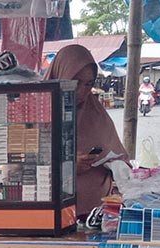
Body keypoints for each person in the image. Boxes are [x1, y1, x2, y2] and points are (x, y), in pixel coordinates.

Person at [45, 44, 129, 219]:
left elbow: (119, 155)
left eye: (89, 83)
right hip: (51, 214)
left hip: (97, 214)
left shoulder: (96, 112)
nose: (82, 90)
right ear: (60, 75)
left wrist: (116, 166)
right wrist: (66, 166)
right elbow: (19, 166)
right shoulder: (38, 111)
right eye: (75, 82)